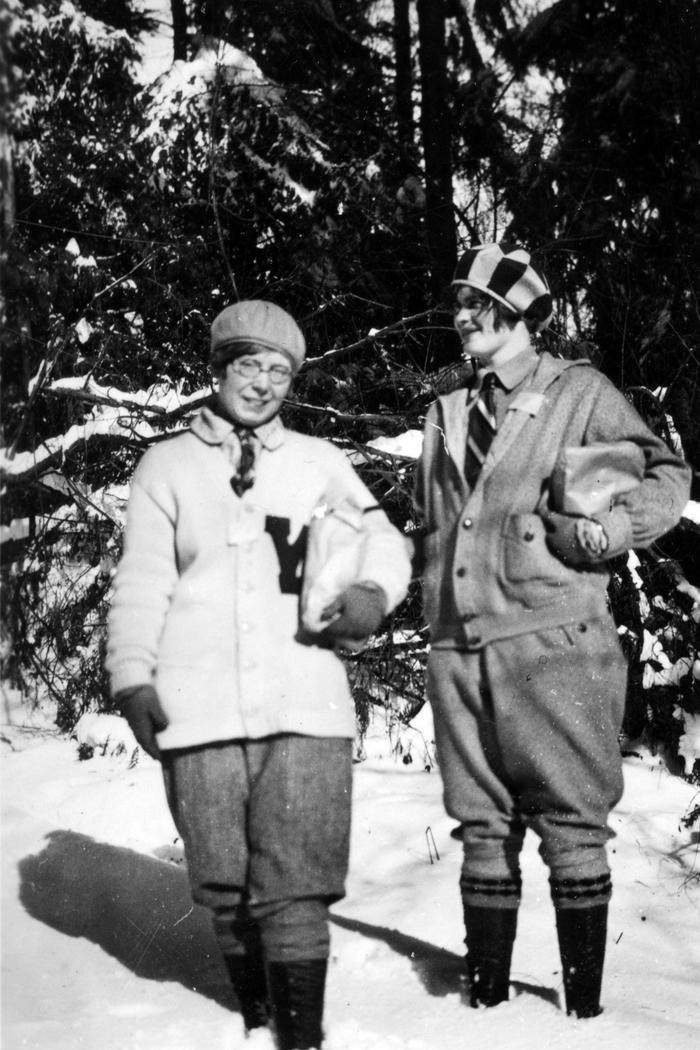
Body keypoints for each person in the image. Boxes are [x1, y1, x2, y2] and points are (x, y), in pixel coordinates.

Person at [106, 300, 411, 1049]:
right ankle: (255, 1022)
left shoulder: (317, 462)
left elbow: (382, 540)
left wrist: (371, 594)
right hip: (197, 705)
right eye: (249, 365)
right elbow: (142, 579)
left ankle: (299, 1039)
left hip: (304, 701)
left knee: (299, 879)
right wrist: (133, 677)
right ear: (218, 368)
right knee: (224, 878)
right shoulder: (167, 466)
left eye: (280, 371)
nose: (263, 383)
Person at [413, 242, 690, 1018]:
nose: (462, 316)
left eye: (479, 304)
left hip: (554, 641)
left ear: (518, 314)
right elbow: (431, 521)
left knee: (571, 823)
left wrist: (606, 530)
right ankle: (485, 1011)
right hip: (460, 646)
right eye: (459, 303)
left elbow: (664, 476)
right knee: (481, 824)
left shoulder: (576, 392)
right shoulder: (447, 411)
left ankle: (583, 1019)